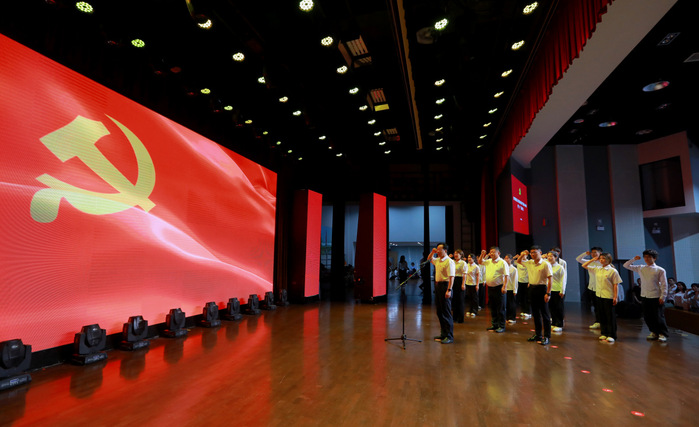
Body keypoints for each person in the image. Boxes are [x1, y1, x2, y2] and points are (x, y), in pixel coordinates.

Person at [623, 250, 669, 342]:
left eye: (649, 257)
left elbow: (664, 284)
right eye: (645, 257)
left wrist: (663, 296)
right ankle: (654, 332)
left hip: (656, 296)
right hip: (645, 295)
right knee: (647, 316)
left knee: (658, 316)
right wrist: (634, 259)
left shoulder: (660, 269)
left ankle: (662, 334)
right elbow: (626, 265)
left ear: (654, 258)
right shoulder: (641, 267)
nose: (646, 259)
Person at [515, 246, 553, 345]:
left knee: (545, 314)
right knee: (535, 314)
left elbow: (550, 279)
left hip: (542, 288)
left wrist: (548, 293)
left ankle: (547, 336)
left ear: (540, 252)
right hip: (532, 288)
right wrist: (523, 254)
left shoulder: (545, 264)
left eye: (535, 252)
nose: (533, 254)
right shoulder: (530, 263)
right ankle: (538, 335)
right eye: (531, 253)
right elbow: (518, 261)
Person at [582, 253, 621, 343]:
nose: (601, 260)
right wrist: (593, 259)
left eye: (604, 258)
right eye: (600, 258)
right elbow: (584, 265)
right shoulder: (598, 269)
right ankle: (604, 333)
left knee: (609, 316)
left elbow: (616, 284)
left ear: (609, 260)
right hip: (599, 295)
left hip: (608, 296)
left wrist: (615, 296)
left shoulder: (612, 271)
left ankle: (612, 335)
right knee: (602, 315)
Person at [478, 247, 508, 333]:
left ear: (498, 253)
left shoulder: (502, 262)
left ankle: (501, 326)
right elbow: (480, 262)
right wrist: (482, 254)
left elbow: (507, 275)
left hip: (499, 287)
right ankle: (495, 324)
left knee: (501, 308)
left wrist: (505, 286)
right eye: (490, 252)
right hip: (490, 287)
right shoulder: (488, 261)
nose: (491, 253)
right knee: (493, 307)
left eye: (493, 252)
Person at [430, 243, 455, 344]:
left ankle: (449, 336)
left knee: (446, 312)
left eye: (439, 249)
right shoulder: (438, 260)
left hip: (446, 286)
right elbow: (429, 259)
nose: (438, 251)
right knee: (439, 312)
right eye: (437, 249)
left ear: (445, 250)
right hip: (438, 286)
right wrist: (432, 252)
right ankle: (443, 334)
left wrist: (449, 290)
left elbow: (451, 277)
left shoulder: (449, 261)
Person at [576, 247, 604, 329]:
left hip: (601, 287)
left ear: (600, 253)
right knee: (596, 306)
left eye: (595, 252)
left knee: (602, 306)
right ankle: (598, 322)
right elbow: (578, 259)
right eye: (592, 252)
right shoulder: (590, 262)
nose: (593, 254)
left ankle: (604, 322)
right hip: (592, 287)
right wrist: (585, 254)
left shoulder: (603, 262)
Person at [547, 251, 566, 332]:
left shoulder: (559, 267)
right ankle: (554, 322)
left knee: (558, 307)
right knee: (551, 307)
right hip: (549, 289)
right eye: (548, 256)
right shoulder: (547, 266)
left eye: (551, 256)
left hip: (557, 290)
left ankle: (559, 324)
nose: (549, 258)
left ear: (556, 257)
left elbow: (563, 279)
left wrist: (562, 290)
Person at [452, 250, 467, 323]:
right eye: (455, 253)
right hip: (453, 280)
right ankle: (454, 317)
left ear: (461, 255)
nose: (455, 254)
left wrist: (463, 284)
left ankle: (460, 318)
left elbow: (464, 274)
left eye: (457, 253)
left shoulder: (463, 263)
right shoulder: (452, 262)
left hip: (460, 280)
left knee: (460, 300)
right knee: (454, 300)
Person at [503, 254, 519, 325]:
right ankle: (506, 317)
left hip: (511, 288)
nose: (506, 260)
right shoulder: (504, 268)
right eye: (505, 258)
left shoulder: (514, 269)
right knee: (505, 304)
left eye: (508, 258)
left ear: (511, 260)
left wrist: (515, 290)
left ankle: (512, 318)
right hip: (505, 288)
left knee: (511, 304)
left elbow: (515, 280)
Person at [464, 253, 480, 317]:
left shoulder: (476, 266)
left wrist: (477, 285)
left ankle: (474, 311)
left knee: (474, 298)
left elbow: (478, 276)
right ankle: (470, 310)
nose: (469, 259)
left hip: (474, 283)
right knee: (469, 297)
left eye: (470, 257)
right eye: (468, 257)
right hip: (468, 283)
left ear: (473, 259)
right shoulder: (466, 265)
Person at [516, 253, 531, 319]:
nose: (522, 256)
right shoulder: (518, 262)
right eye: (521, 255)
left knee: (527, 297)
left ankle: (528, 312)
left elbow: (530, 272)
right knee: (521, 297)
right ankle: (523, 310)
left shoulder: (528, 262)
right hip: (520, 281)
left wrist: (529, 281)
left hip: (527, 281)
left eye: (524, 255)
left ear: (527, 256)